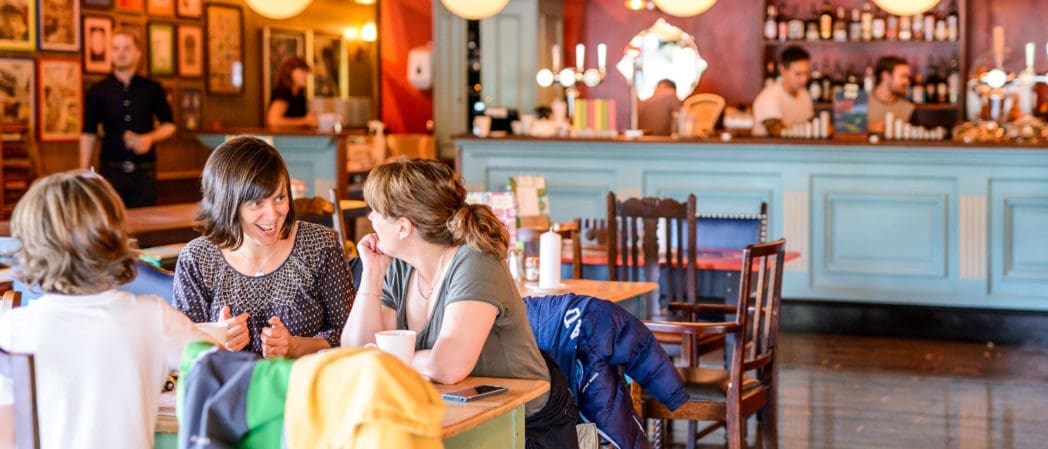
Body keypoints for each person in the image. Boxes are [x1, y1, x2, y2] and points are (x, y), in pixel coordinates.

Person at [341, 159, 579, 449]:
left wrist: (382, 357)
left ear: (403, 227)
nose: (371, 219)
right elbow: (355, 351)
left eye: (376, 212)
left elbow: (448, 366)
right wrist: (372, 275)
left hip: (525, 425)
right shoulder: (400, 265)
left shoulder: (475, 260)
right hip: (449, 415)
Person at [0, 170, 216, 449]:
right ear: (114, 239)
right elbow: (226, 375)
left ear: (31, 247)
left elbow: (6, 437)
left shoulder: (12, 330)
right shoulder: (153, 318)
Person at [173, 136, 353, 359]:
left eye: (279, 198)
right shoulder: (198, 258)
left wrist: (296, 346)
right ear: (227, 203)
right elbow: (182, 352)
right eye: (257, 203)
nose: (272, 215)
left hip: (304, 379)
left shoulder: (319, 245)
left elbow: (351, 336)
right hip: (231, 381)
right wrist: (215, 342)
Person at [80, 28, 175, 208]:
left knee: (146, 221)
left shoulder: (152, 88)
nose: (121, 53)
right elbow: (88, 132)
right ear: (110, 54)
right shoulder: (98, 90)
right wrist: (84, 170)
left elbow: (169, 125)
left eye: (126, 48)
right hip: (110, 172)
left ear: (138, 54)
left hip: (144, 173)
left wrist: (149, 138)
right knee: (111, 219)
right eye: (116, 48)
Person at [752, 45, 813, 137]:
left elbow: (810, 127)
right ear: (782, 70)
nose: (804, 79)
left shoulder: (805, 95)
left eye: (806, 73)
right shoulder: (768, 98)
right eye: (798, 74)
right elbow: (779, 137)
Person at [266, 56, 319, 128]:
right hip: (284, 135)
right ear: (290, 72)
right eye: (303, 71)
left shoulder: (299, 94)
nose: (306, 75)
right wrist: (305, 121)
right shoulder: (282, 92)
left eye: (307, 72)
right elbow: (273, 121)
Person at [867, 55, 915, 134]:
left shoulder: (908, 108)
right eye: (903, 76)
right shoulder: (860, 102)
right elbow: (847, 130)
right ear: (886, 76)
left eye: (907, 77)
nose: (907, 82)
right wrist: (866, 126)